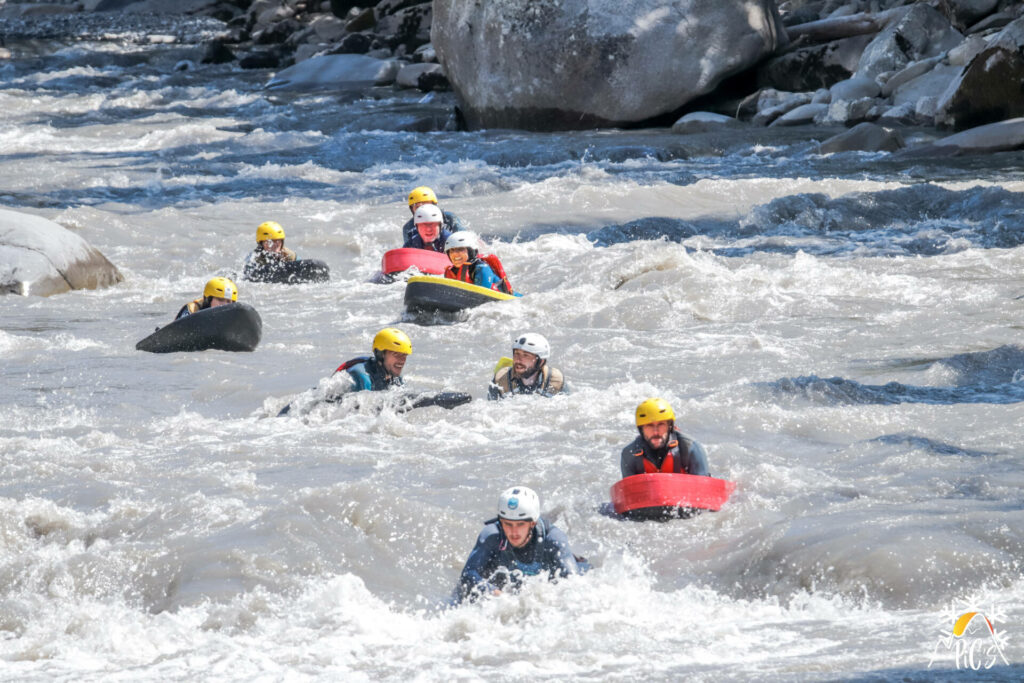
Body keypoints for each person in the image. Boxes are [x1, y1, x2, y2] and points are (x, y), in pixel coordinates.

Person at [455, 486, 583, 603]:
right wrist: (496, 593)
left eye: (520, 524)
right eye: (508, 524)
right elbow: (469, 574)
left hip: (550, 577)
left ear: (532, 523)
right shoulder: (491, 535)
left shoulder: (554, 539)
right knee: (463, 594)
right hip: (502, 583)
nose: (513, 532)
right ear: (501, 521)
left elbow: (573, 583)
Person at [620, 398, 710, 478]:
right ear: (641, 430)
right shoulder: (629, 454)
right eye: (649, 426)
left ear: (670, 426)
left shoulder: (690, 448)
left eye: (661, 424)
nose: (655, 432)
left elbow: (704, 489)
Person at [488, 333, 567, 399]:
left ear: (541, 361)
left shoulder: (556, 382)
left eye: (526, 355)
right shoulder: (500, 380)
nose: (518, 360)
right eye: (516, 354)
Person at [334, 327, 411, 392]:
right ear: (380, 354)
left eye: (404, 355)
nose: (402, 360)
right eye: (396, 354)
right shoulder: (360, 377)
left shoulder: (396, 379)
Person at [443, 232, 514, 294]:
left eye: (460, 249)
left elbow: (482, 298)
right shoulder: (451, 271)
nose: (455, 254)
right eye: (451, 250)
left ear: (471, 252)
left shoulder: (482, 269)